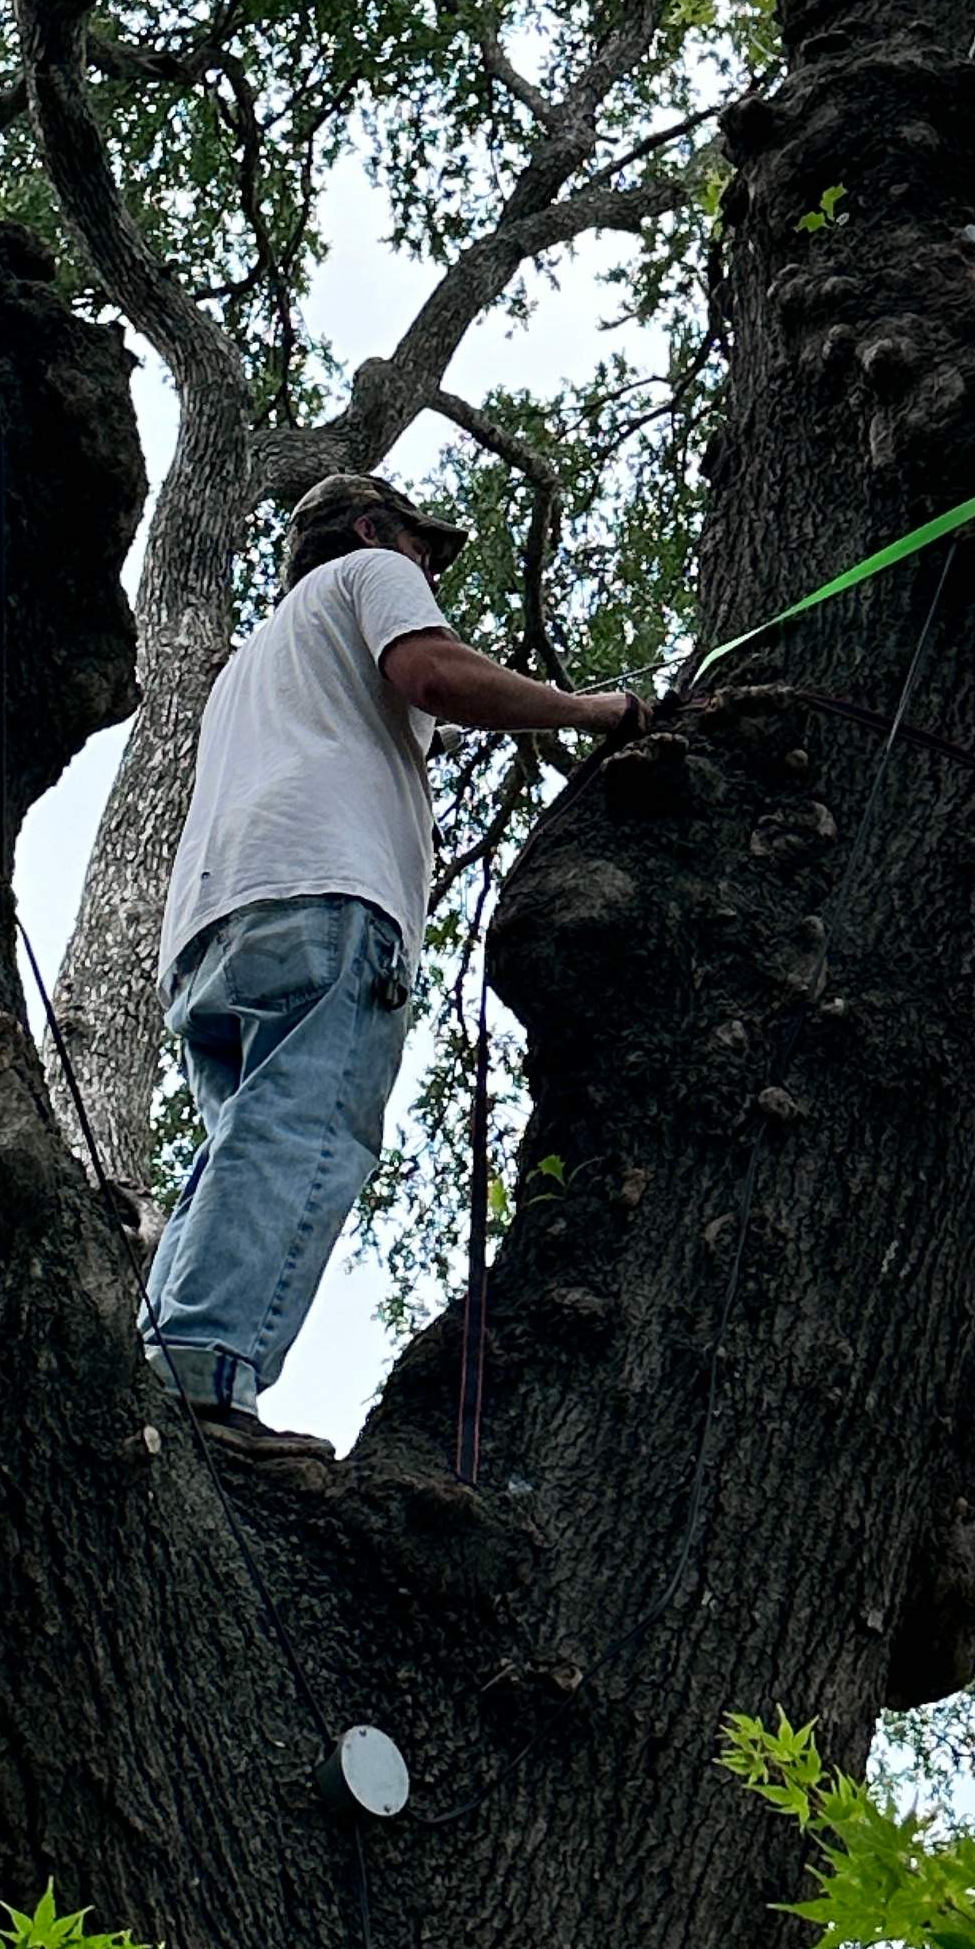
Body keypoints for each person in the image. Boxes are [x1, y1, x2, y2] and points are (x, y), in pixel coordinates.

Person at [144, 469, 643, 1457]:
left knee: (243, 1146)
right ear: (376, 530)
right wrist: (596, 713)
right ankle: (206, 1378)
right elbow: (434, 676)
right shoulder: (371, 569)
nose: (428, 571)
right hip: (324, 897)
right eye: (427, 550)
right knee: (301, 1131)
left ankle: (162, 1371)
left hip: (212, 928)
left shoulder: (254, 662)